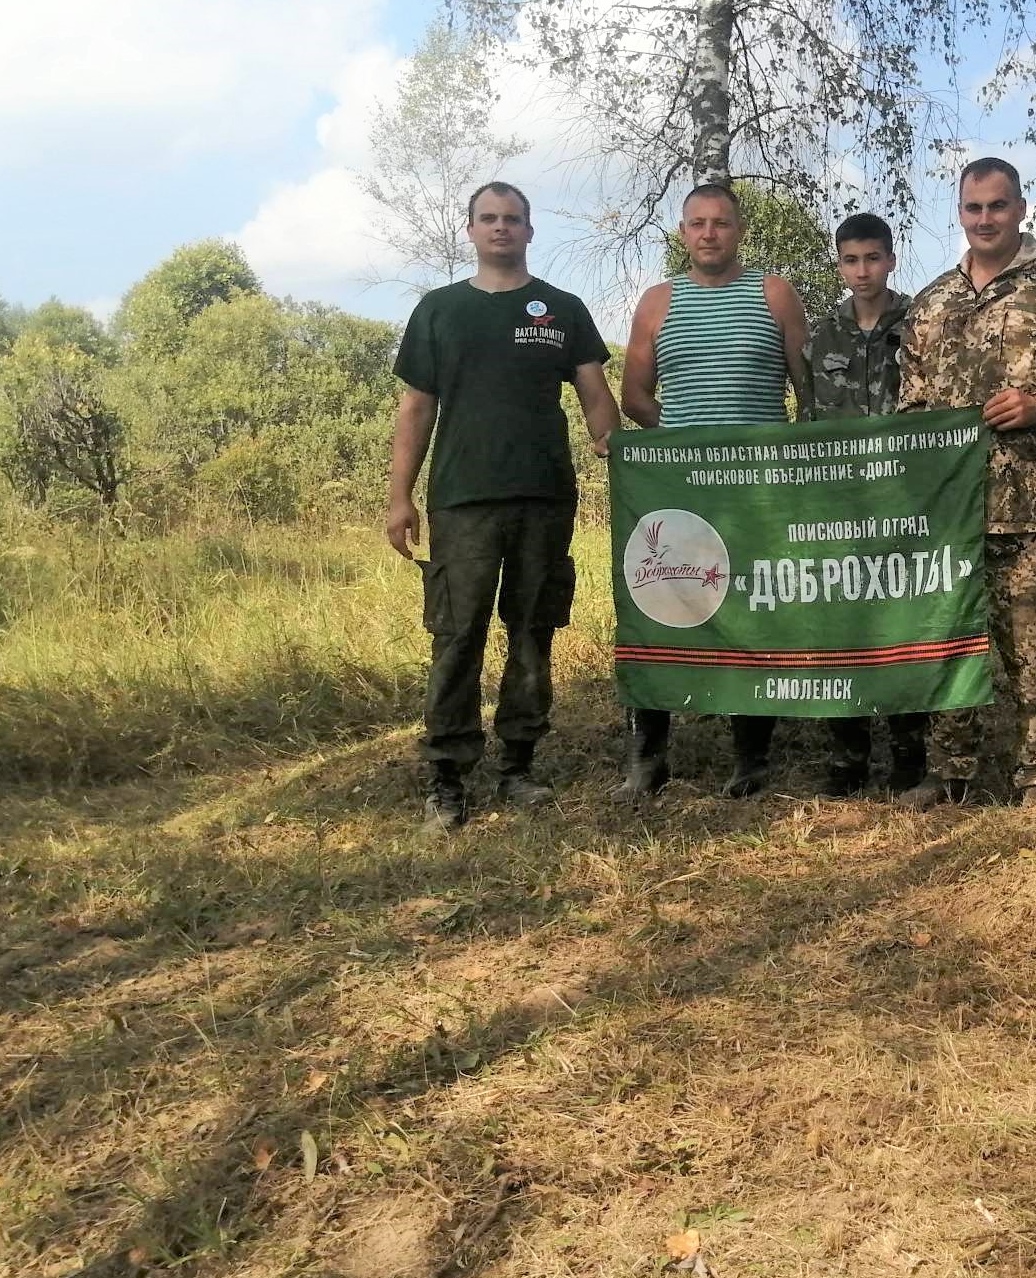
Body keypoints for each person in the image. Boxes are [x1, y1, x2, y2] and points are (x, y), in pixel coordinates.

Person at [388, 181, 621, 835]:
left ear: (529, 230)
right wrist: (399, 495)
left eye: (512, 219)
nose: (500, 228)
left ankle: (518, 766)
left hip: (544, 498)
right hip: (462, 501)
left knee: (532, 632)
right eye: (488, 219)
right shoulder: (440, 310)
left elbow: (594, 393)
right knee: (456, 637)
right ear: (470, 229)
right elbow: (416, 407)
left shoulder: (562, 309)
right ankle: (447, 779)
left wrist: (613, 444)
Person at [896, 157, 1036, 808]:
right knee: (949, 642)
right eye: (972, 207)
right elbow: (911, 406)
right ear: (960, 213)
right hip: (950, 513)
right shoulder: (932, 302)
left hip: (1030, 507)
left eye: (996, 206)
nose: (984, 218)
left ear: (1020, 209)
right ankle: (950, 771)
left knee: (1033, 650)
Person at [619, 183, 812, 798]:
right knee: (662, 610)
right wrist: (683, 449)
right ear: (683, 233)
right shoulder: (656, 303)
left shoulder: (774, 293)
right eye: (698, 223)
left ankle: (750, 760)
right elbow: (634, 397)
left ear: (739, 231)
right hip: (678, 493)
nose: (709, 233)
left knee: (752, 613)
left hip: (759, 490)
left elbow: (808, 392)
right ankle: (648, 757)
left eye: (721, 223)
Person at [804, 212, 928, 797]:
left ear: (892, 259)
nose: (862, 271)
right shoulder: (821, 337)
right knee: (843, 623)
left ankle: (909, 748)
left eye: (873, 258)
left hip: (905, 503)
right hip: (838, 507)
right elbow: (806, 423)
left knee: (905, 622)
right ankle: (847, 752)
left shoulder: (922, 322)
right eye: (851, 260)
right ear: (839, 265)